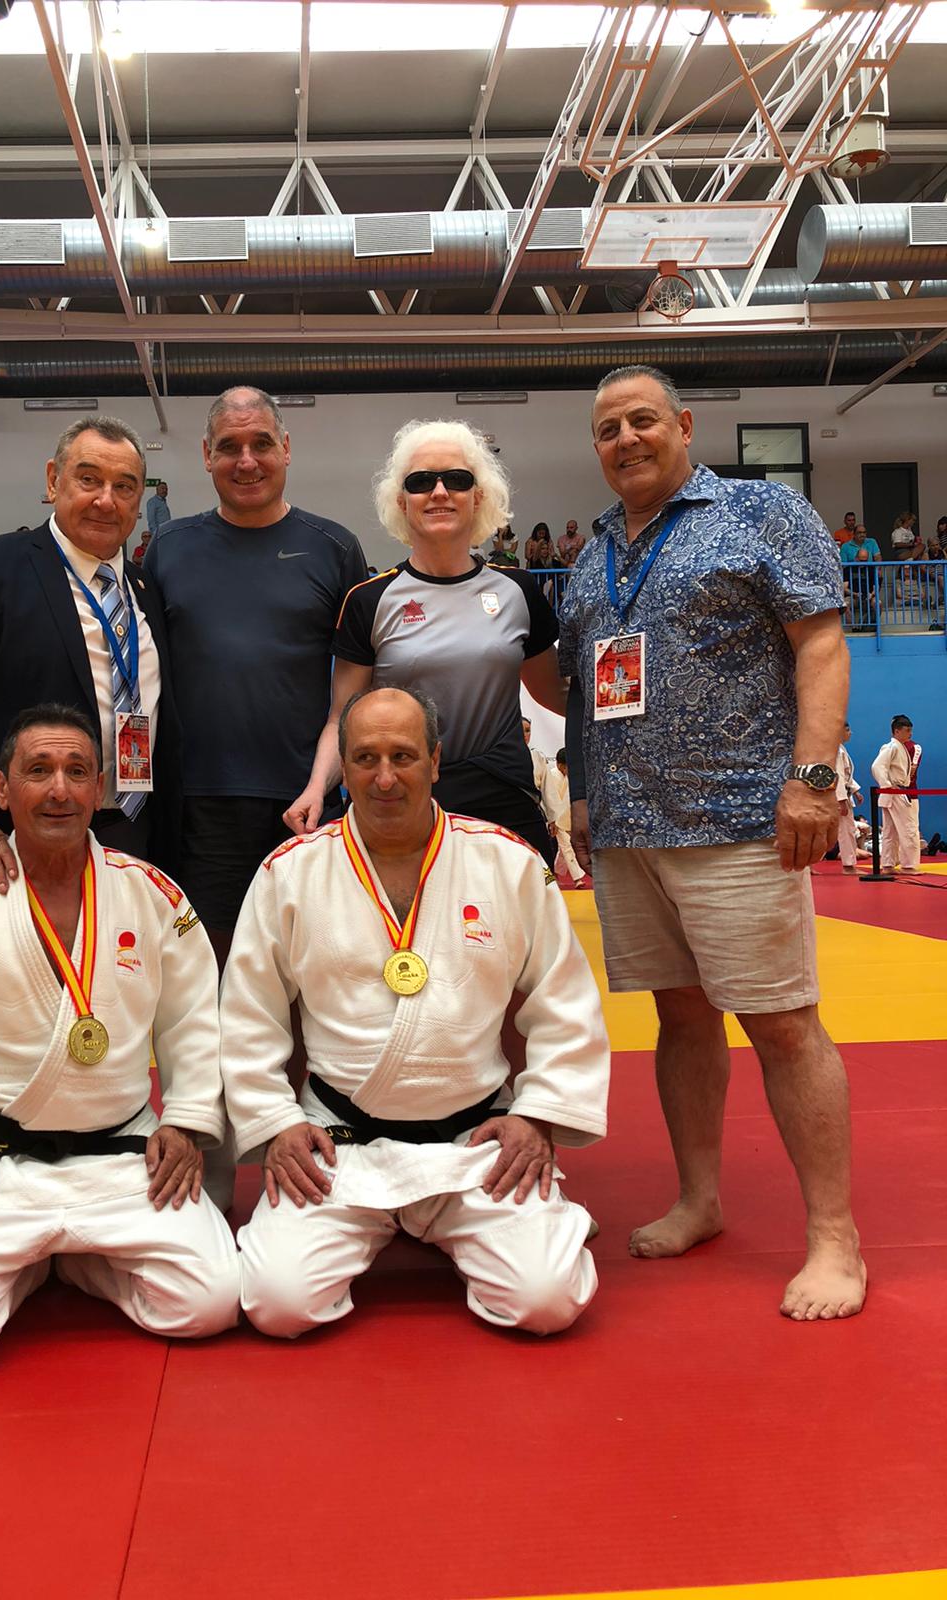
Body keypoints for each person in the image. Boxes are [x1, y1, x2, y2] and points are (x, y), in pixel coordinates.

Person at [559, 363, 865, 1322]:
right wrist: (583, 798)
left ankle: (834, 1237)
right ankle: (700, 1198)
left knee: (781, 1022)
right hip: (627, 826)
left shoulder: (760, 514)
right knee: (680, 1020)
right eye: (608, 429)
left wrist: (812, 778)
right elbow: (581, 691)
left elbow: (819, 643)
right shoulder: (591, 552)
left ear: (684, 424)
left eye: (642, 420)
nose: (626, 440)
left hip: (738, 818)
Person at [0, 704, 239, 1383]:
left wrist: (185, 1120)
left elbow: (196, 1022)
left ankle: (72, 1256)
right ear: (3, 790)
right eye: (38, 771)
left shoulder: (152, 894)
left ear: (99, 787)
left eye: (76, 772)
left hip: (121, 1157)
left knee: (210, 1303)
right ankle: (30, 1261)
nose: (59, 789)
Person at [221, 686, 609, 1338]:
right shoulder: (289, 874)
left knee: (546, 1301)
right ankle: (401, 1220)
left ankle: (524, 1214)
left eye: (403, 755)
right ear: (342, 768)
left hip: (477, 1142)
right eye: (365, 757)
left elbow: (564, 999)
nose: (384, 776)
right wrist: (275, 1121)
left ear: (435, 760)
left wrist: (539, 1116)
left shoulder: (507, 864)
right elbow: (247, 1013)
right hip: (339, 1144)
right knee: (277, 1304)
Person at [0, 416, 183, 889]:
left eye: (124, 486)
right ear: (54, 480)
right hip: (9, 845)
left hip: (134, 835)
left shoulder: (145, 586)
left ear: (139, 503)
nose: (105, 499)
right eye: (89, 479)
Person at [145, 386, 366, 956]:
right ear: (206, 455)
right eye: (229, 446)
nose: (247, 461)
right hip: (199, 807)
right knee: (209, 977)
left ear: (286, 448)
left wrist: (328, 784)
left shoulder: (334, 548)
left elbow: (354, 700)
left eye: (261, 443)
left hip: (306, 806)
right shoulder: (168, 548)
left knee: (311, 977)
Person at [289, 419, 566, 861]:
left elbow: (557, 697)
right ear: (401, 501)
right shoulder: (369, 600)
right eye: (421, 482)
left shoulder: (520, 592)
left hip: (502, 801)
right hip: (397, 801)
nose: (439, 492)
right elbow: (340, 718)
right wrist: (315, 789)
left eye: (456, 480)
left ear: (479, 496)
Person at [871, 715, 922, 875]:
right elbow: (877, 766)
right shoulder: (891, 747)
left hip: (894, 792)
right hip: (895, 791)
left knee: (890, 831)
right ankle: (908, 866)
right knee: (909, 829)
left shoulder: (898, 746)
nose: (910, 734)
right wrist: (886, 785)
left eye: (911, 731)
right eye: (907, 730)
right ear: (897, 731)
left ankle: (887, 865)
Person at [544, 747, 588, 887]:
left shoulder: (569, 778)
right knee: (567, 846)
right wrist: (552, 819)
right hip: (553, 817)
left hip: (564, 817)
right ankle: (577, 878)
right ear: (559, 765)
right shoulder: (551, 776)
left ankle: (556, 870)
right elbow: (547, 799)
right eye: (566, 767)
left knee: (564, 848)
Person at [840, 524, 881, 629]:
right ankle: (854, 627)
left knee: (878, 603)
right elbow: (844, 588)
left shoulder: (871, 569)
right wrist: (855, 594)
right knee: (844, 604)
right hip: (854, 596)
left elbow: (876, 587)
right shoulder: (849, 569)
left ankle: (868, 625)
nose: (864, 562)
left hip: (868, 596)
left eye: (866, 560)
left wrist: (871, 595)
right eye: (861, 560)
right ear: (856, 558)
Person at [834, 722, 861, 873]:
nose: (850, 732)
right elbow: (838, 776)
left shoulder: (840, 749)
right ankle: (848, 866)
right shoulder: (836, 751)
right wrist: (842, 800)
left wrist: (855, 790)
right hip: (839, 797)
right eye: (848, 729)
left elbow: (845, 776)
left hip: (843, 793)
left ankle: (809, 865)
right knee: (845, 831)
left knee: (841, 831)